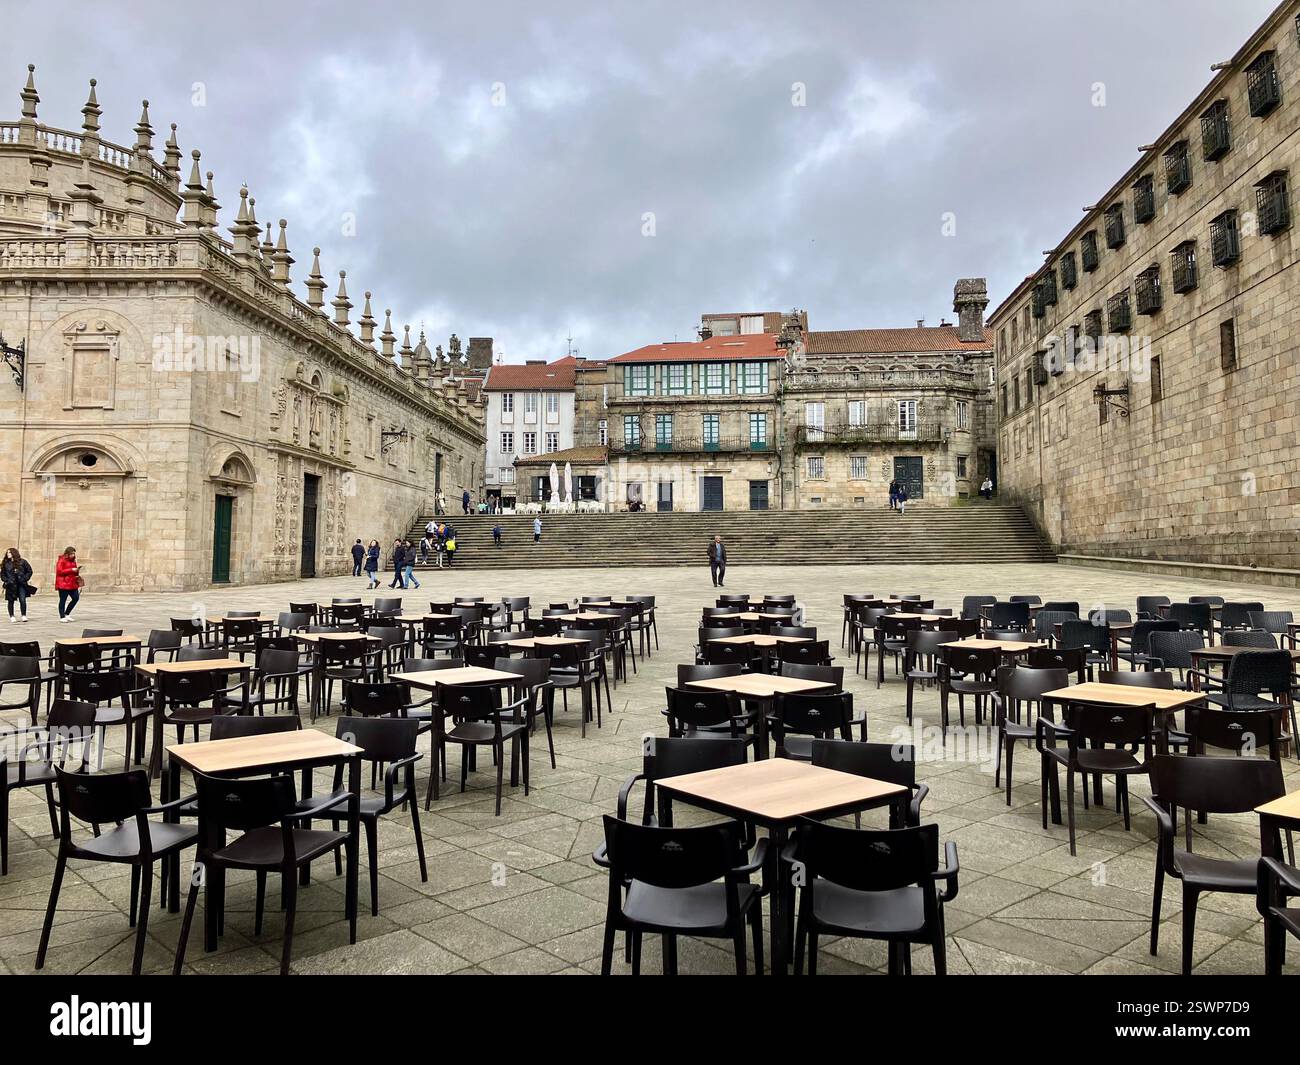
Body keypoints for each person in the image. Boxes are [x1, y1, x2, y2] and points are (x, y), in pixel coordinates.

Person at [2, 547, 34, 623]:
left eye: (9, 552)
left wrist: (25, 578)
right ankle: (12, 616)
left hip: (21, 584)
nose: (8, 554)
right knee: (11, 601)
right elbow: (2, 575)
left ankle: (23, 615)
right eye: (7, 553)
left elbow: (29, 571)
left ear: (14, 553)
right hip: (11, 585)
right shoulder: (6, 563)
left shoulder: (23, 562)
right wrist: (6, 580)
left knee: (22, 600)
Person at [55, 545, 82, 622]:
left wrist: (77, 572)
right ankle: (62, 616)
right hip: (63, 583)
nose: (73, 555)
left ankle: (67, 613)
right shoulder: (61, 560)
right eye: (71, 553)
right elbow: (59, 572)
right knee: (63, 600)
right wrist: (71, 570)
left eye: (74, 553)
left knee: (76, 598)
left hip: (72, 583)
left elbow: (74, 570)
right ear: (67, 553)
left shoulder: (73, 561)